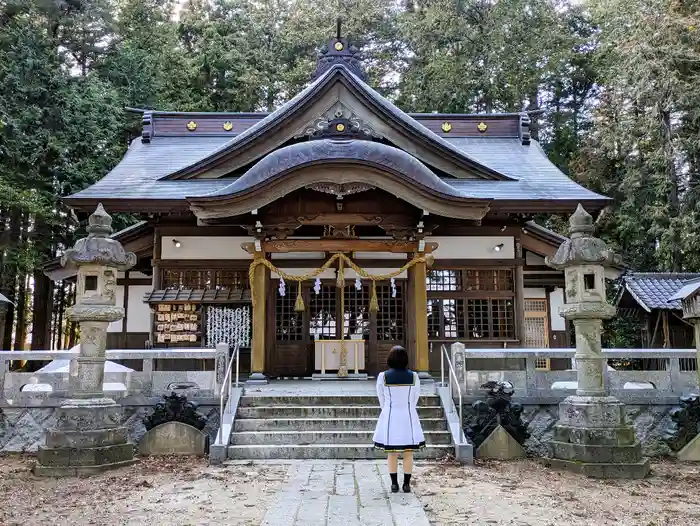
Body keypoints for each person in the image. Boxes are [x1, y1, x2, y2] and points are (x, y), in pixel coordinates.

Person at [372, 345, 425, 493]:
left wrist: (388, 409)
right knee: (408, 452)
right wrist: (408, 407)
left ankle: (394, 484)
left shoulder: (383, 376)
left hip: (390, 416)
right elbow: (415, 397)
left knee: (392, 453)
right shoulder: (414, 376)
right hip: (408, 415)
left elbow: (381, 398)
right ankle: (407, 484)